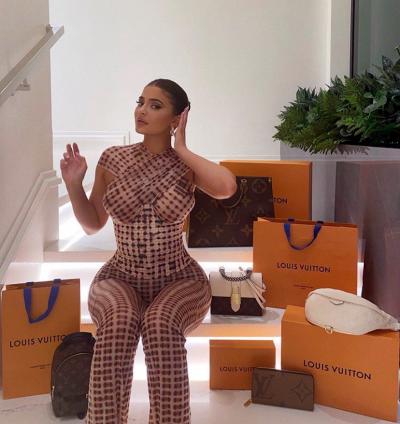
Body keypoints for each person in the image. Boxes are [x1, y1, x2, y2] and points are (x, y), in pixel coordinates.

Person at [60, 78, 237, 424]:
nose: (142, 110)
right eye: (140, 102)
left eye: (155, 105)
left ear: (177, 118)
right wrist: (73, 185)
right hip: (120, 276)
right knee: (118, 322)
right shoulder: (113, 159)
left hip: (180, 279)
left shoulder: (186, 165)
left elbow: (226, 187)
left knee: (160, 323)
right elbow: (92, 224)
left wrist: (182, 147)